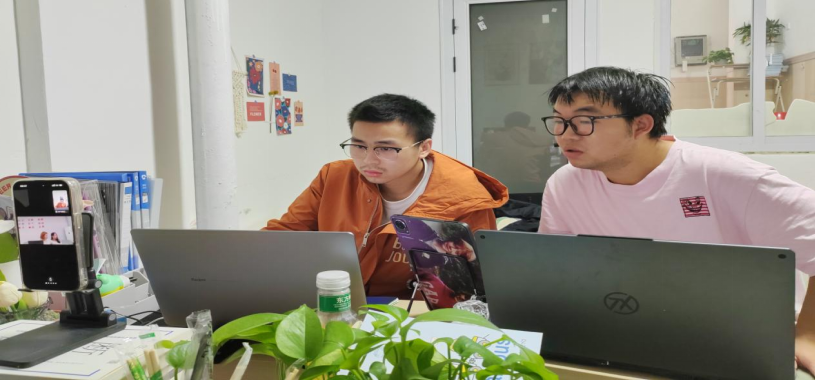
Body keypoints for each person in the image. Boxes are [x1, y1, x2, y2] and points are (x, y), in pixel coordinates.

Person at [538, 66, 815, 375]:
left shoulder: (724, 174)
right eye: (559, 121)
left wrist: (807, 338)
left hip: (743, 337)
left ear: (640, 125)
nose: (565, 135)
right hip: (627, 328)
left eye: (584, 121)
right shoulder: (565, 183)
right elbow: (555, 269)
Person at [263, 94, 508, 298]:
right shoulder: (334, 177)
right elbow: (283, 236)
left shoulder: (466, 199)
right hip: (337, 302)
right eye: (359, 146)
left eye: (386, 148)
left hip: (415, 318)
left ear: (423, 148)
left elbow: (475, 287)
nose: (368, 160)